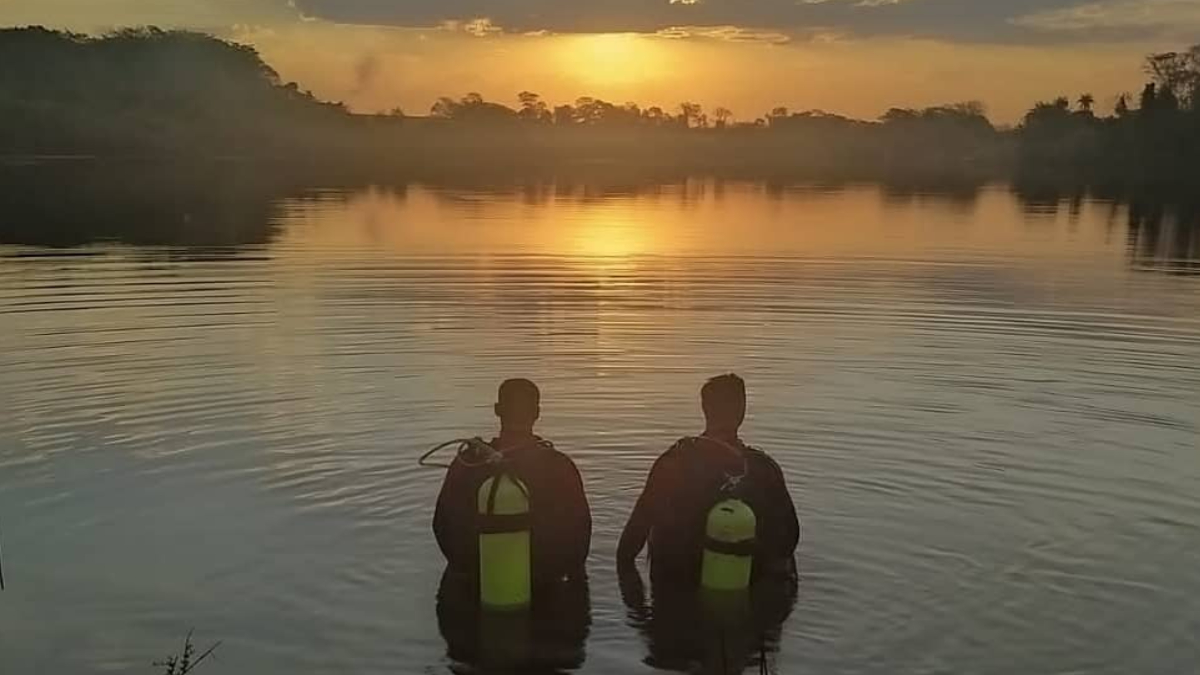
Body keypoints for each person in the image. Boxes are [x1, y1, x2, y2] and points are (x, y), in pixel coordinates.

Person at [617, 374, 799, 589]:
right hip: (744, 598)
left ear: (704, 408)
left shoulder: (672, 464)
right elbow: (789, 541)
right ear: (742, 411)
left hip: (675, 600)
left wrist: (638, 616)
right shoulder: (765, 469)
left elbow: (628, 549)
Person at [434, 378, 591, 588]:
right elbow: (580, 535)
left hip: (474, 585)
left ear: (497, 410)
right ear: (537, 412)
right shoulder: (559, 466)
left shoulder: (467, 462)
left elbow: (441, 525)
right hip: (544, 587)